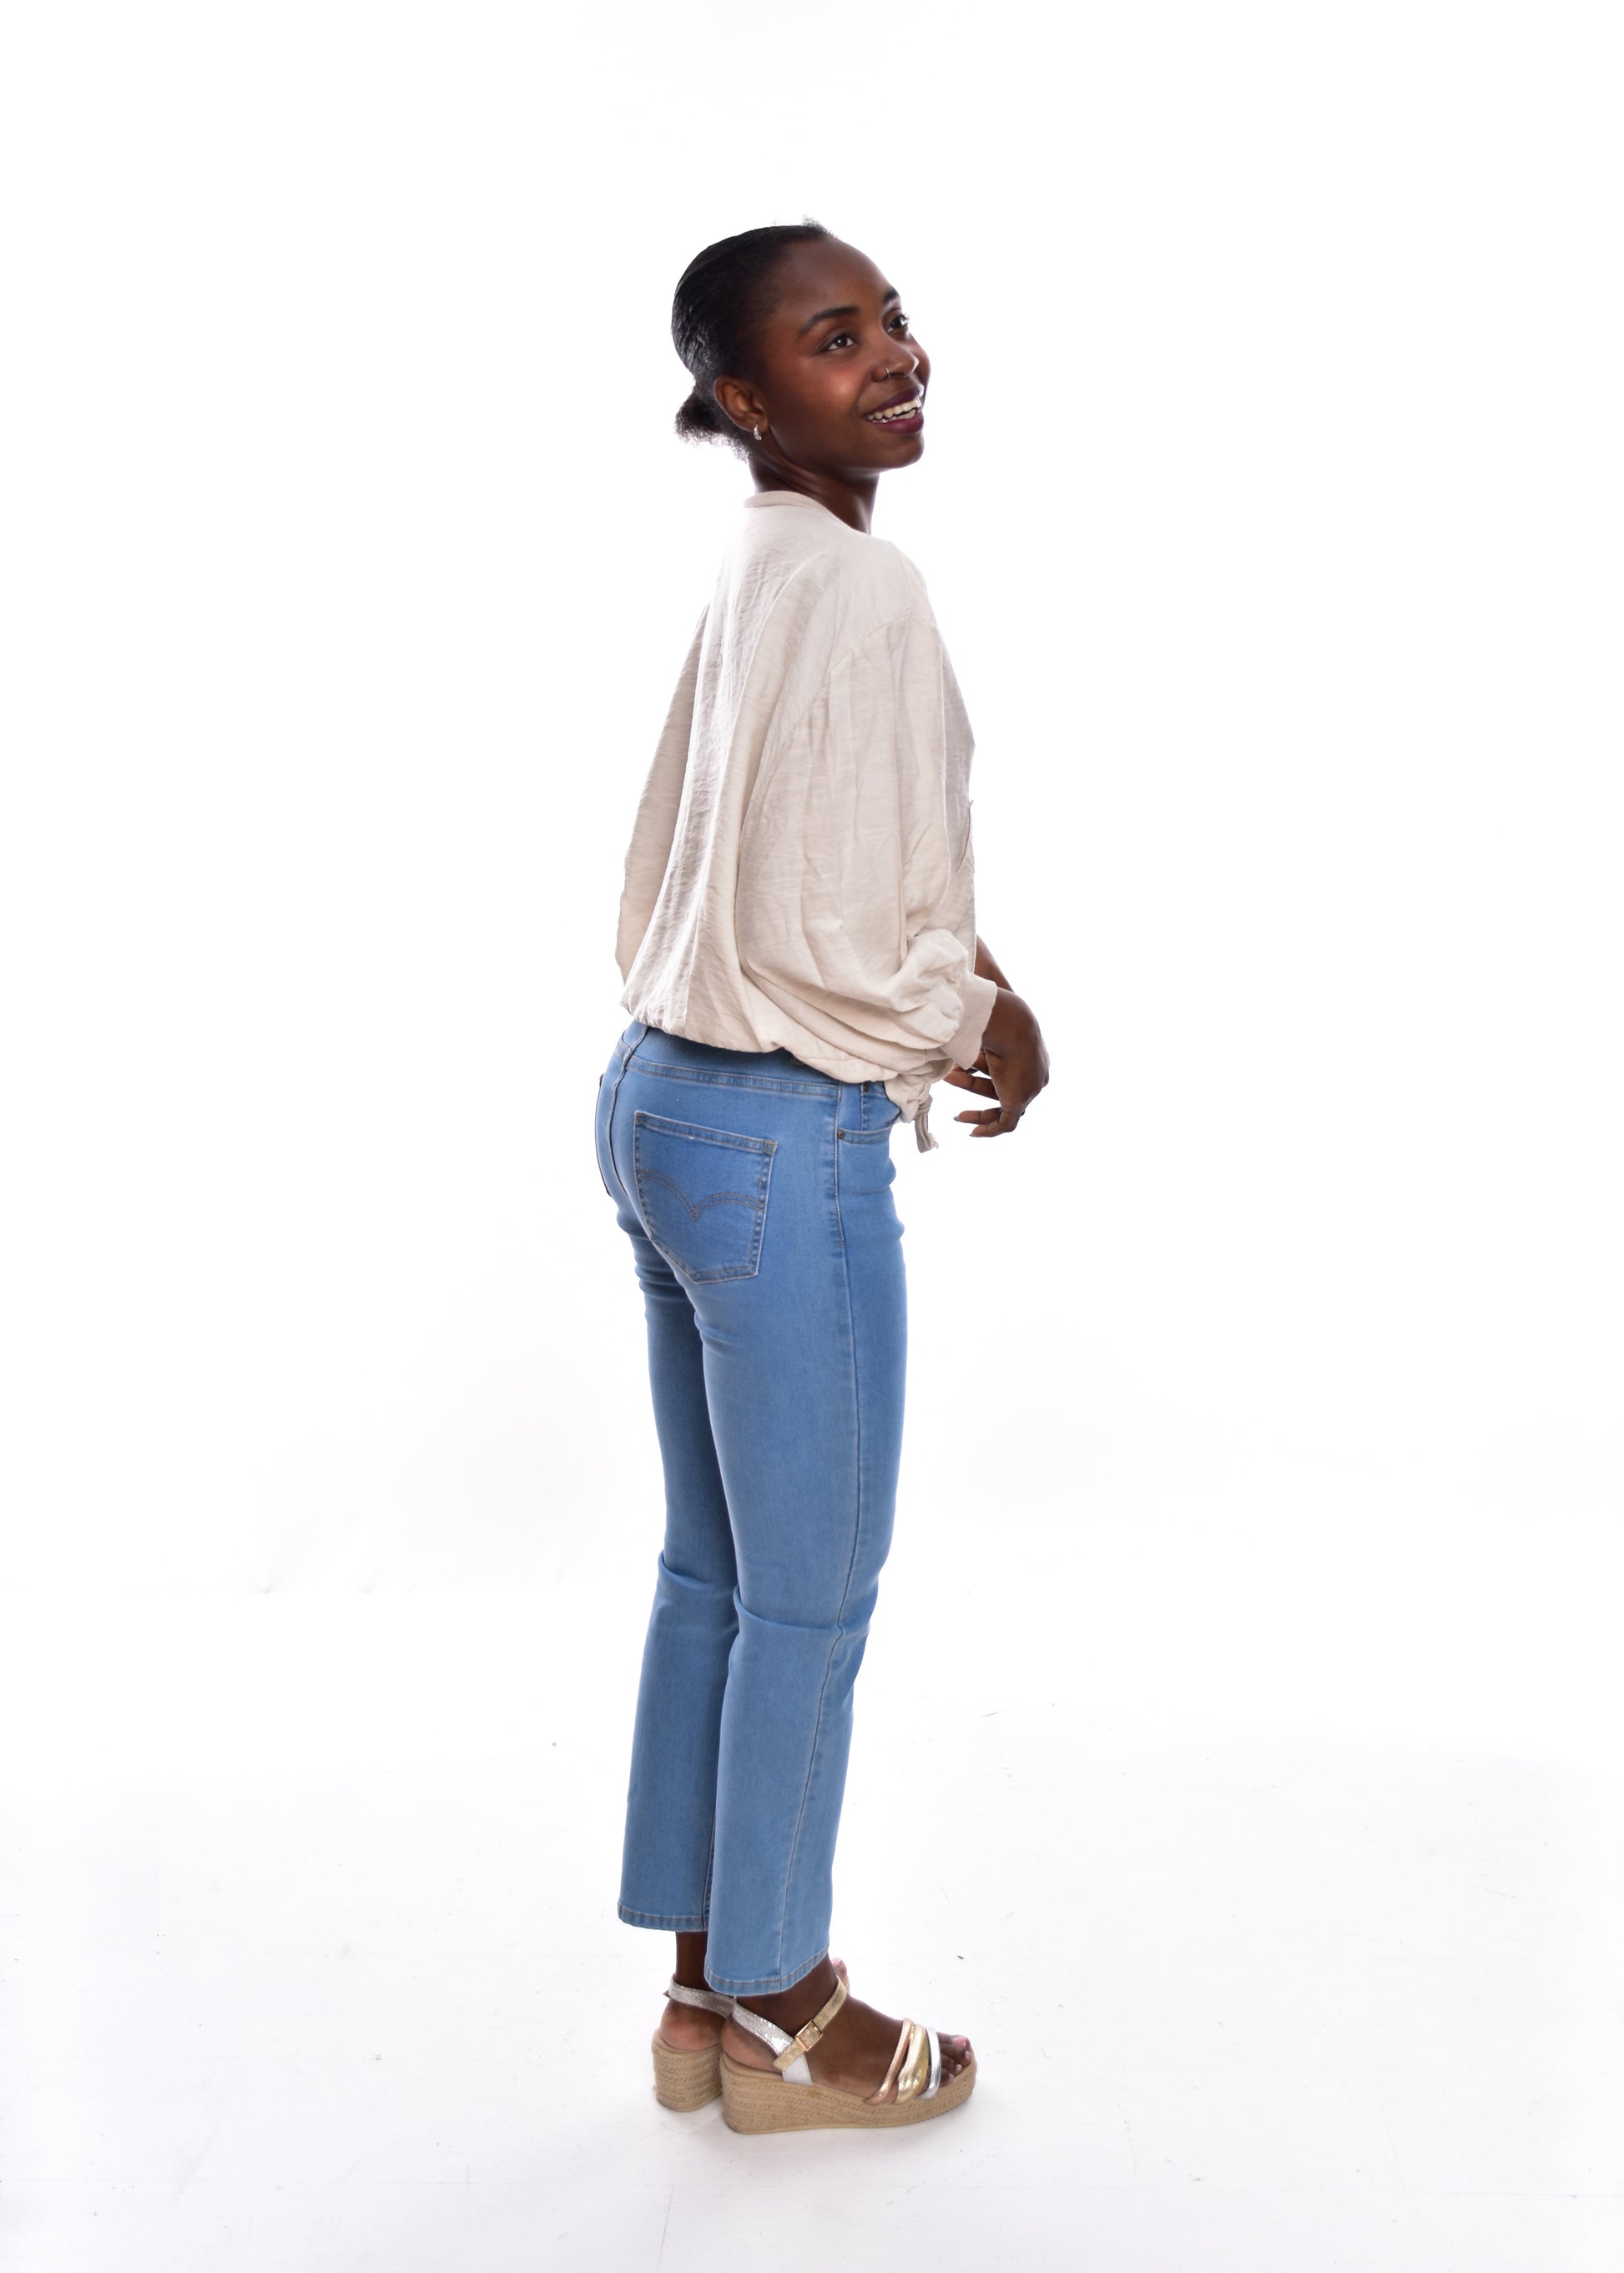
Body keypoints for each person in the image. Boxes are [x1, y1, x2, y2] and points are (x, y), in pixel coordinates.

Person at [593, 220, 1050, 2133]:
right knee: (809, 1605)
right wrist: (978, 1016)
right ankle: (787, 2013)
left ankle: (702, 1988)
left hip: (659, 1101)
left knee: (715, 1576)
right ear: (742, 395)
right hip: (779, 1133)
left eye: (893, 323)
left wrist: (959, 968)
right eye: (834, 337)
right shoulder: (860, 586)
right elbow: (849, 924)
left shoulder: (764, 557)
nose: (894, 357)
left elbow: (734, 853)